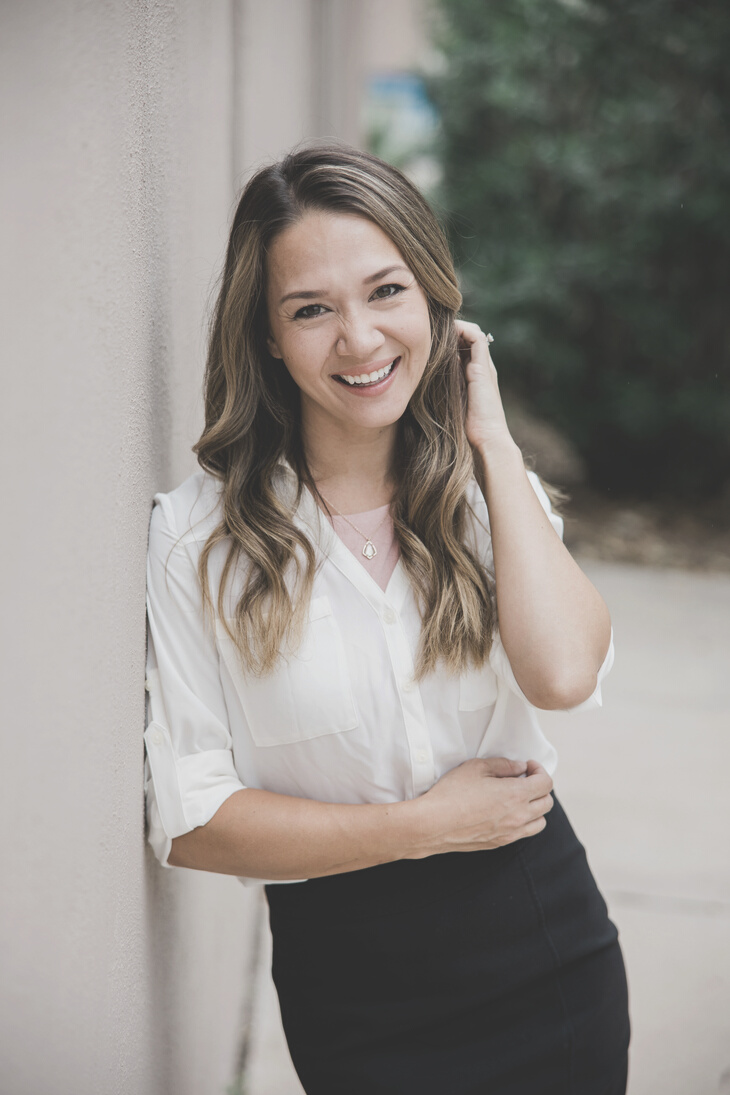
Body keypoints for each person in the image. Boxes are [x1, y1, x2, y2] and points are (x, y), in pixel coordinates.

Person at [143, 142, 630, 1094]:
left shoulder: (495, 497)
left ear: (437, 303)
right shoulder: (197, 539)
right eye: (312, 310)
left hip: (544, 949)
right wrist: (419, 825)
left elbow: (565, 674)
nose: (360, 340)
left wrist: (489, 436)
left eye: (387, 291)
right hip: (352, 987)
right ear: (268, 338)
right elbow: (193, 819)